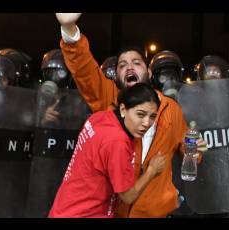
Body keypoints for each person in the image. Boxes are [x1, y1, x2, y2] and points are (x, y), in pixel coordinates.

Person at [55, 13, 207, 218]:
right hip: (114, 210)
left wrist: (197, 150)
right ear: (117, 76)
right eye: (122, 65)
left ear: (149, 72)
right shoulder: (109, 98)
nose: (129, 67)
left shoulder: (172, 109)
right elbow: (84, 69)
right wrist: (70, 30)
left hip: (153, 212)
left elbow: (189, 151)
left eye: (136, 62)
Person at [48, 83, 166, 218]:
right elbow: (127, 196)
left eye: (152, 117)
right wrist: (152, 170)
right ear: (123, 109)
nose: (146, 123)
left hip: (63, 209)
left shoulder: (100, 118)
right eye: (140, 114)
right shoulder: (117, 142)